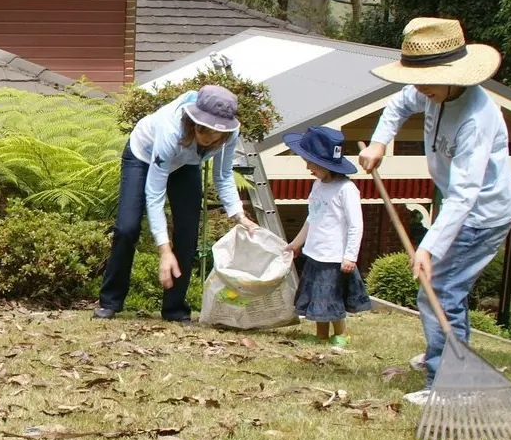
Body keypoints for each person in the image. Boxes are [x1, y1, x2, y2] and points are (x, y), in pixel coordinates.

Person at [357, 17, 511, 405]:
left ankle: (449, 384)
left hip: (481, 216)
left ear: (455, 75)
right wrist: (379, 144)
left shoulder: (476, 119)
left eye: (425, 82)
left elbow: (465, 195)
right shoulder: (432, 90)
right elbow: (397, 105)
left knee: (439, 292)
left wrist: (428, 248)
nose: (418, 90)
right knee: (441, 289)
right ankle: (441, 352)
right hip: (458, 207)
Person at [95, 84, 257, 325]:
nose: (209, 142)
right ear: (194, 123)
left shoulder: (229, 134)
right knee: (127, 228)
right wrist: (164, 250)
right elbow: (155, 193)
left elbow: (222, 175)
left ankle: (175, 309)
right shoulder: (170, 129)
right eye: (205, 134)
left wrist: (239, 215)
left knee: (188, 229)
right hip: (144, 156)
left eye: (216, 138)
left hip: (185, 164)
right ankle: (110, 301)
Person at [284, 126, 370, 347]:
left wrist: (350, 256)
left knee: (331, 299)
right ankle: (321, 334)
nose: (308, 167)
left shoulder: (346, 189)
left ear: (325, 164)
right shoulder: (317, 185)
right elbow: (312, 218)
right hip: (315, 253)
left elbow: (355, 225)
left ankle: (340, 333)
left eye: (311, 163)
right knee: (317, 299)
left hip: (334, 257)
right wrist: (296, 244)